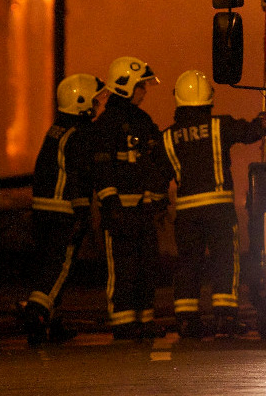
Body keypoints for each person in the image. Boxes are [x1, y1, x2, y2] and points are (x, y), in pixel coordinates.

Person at [160, 70, 266, 338]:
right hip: (218, 210)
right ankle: (225, 318)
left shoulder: (167, 137)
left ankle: (186, 320)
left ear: (178, 100)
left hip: (186, 213)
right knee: (225, 262)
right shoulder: (221, 125)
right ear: (209, 98)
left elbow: (156, 174)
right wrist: (264, 120)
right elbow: (251, 131)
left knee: (188, 264)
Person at [22, 73, 108, 346]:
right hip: (63, 212)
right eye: (94, 101)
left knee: (49, 265)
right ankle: (37, 312)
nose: (96, 106)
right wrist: (82, 213)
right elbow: (78, 175)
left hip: (43, 210)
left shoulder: (57, 128)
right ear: (80, 101)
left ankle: (54, 322)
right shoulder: (78, 135)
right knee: (61, 267)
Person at [85, 56, 167, 340]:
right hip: (119, 213)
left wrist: (157, 199)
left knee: (146, 269)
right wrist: (110, 203)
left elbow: (157, 161)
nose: (144, 92)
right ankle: (122, 324)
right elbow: (101, 168)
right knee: (122, 270)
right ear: (125, 86)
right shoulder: (106, 125)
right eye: (141, 86)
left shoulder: (143, 121)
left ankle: (144, 322)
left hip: (142, 212)